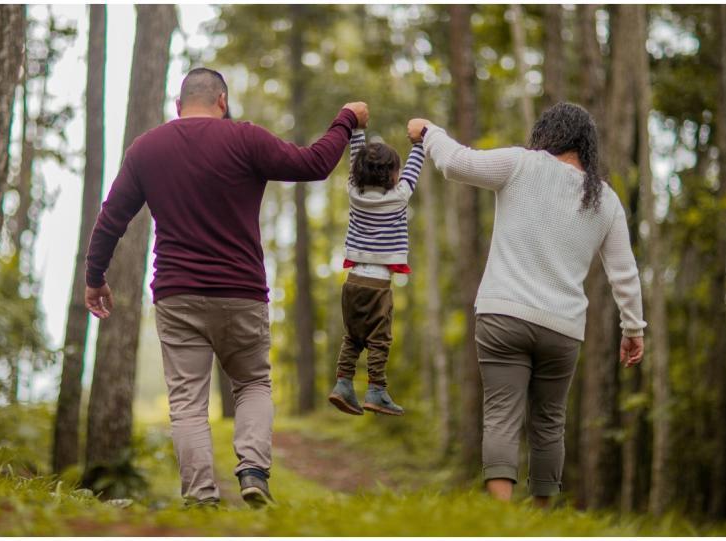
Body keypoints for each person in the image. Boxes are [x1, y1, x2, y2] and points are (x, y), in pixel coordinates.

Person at [84, 67, 369, 508]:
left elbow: (112, 218)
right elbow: (314, 164)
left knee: (187, 403)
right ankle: (254, 471)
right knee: (253, 382)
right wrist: (346, 119)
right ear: (222, 100)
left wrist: (94, 277)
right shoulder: (245, 138)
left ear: (179, 106)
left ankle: (200, 498)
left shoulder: (147, 148)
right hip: (241, 291)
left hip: (177, 294)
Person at [406, 102, 647, 507]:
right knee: (550, 424)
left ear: (547, 134)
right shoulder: (605, 200)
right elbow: (624, 272)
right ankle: (539, 519)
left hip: (503, 316)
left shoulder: (521, 164)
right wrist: (634, 329)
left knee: (501, 414)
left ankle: (502, 518)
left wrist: (430, 131)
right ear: (586, 146)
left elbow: (456, 163)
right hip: (563, 328)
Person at [327, 126, 425, 417]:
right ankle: (376, 390)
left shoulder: (353, 193)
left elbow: (355, 156)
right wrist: (419, 143)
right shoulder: (399, 196)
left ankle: (343, 383)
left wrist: (357, 130)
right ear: (393, 175)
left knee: (352, 337)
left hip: (353, 281)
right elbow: (414, 168)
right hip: (379, 285)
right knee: (379, 339)